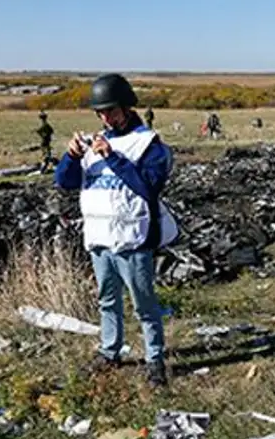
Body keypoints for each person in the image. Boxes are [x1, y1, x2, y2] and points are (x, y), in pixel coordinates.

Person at [53, 73, 180, 387]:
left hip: (132, 239)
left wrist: (113, 157)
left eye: (111, 110)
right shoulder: (94, 143)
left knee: (144, 304)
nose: (105, 118)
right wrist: (71, 157)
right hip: (99, 239)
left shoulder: (148, 144)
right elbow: (65, 182)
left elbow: (148, 187)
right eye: (100, 112)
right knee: (107, 300)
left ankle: (155, 360)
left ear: (126, 107)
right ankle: (110, 352)